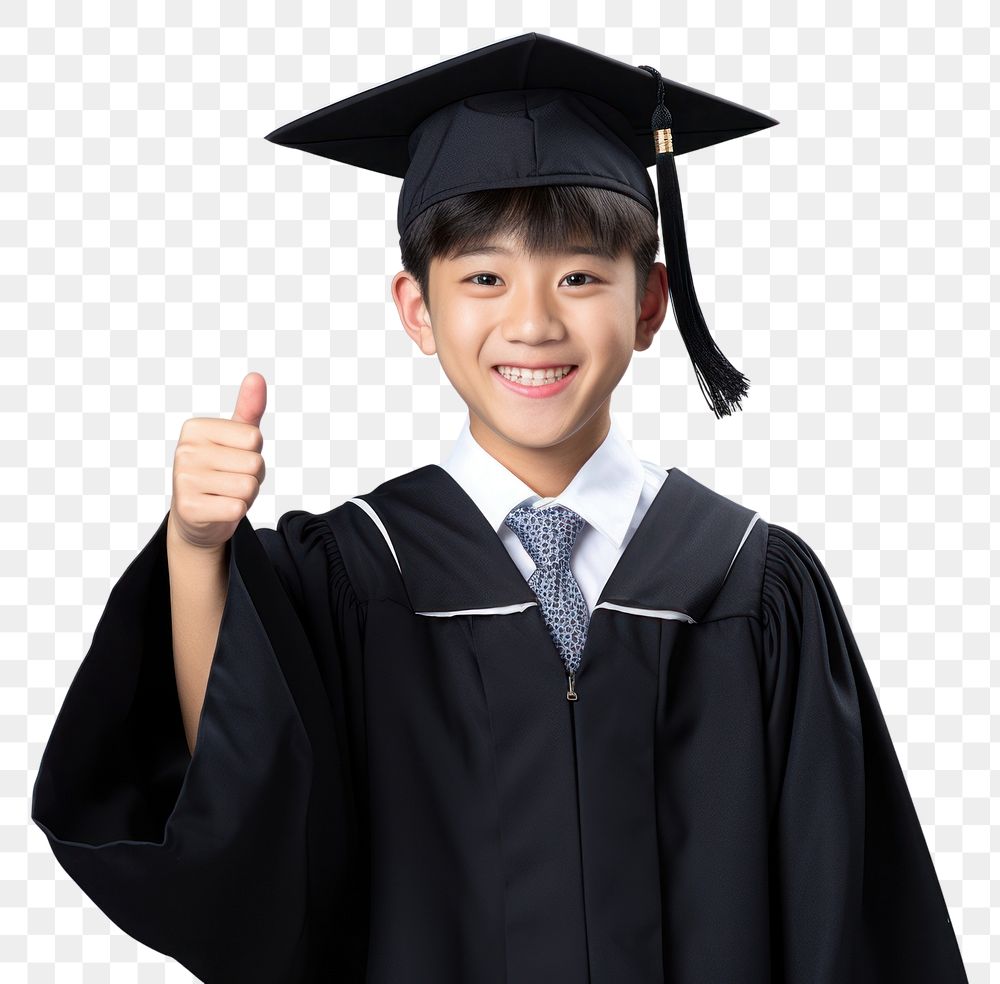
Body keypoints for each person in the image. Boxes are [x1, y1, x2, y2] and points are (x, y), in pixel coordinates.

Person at [30, 32, 969, 984]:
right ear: (417, 311)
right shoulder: (354, 575)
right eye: (484, 278)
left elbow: (850, 917)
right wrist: (197, 550)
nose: (533, 322)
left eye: (580, 276)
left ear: (650, 306)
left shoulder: (751, 585)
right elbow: (241, 823)